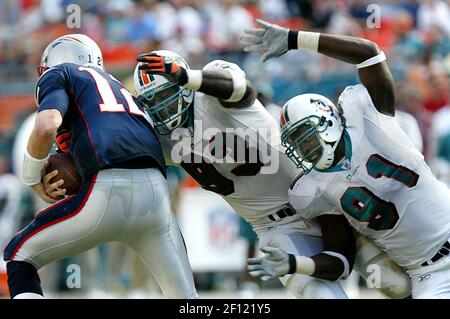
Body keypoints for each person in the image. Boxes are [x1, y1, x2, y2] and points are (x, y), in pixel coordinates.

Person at [133, 50, 409, 298]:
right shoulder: (163, 140)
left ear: (183, 84)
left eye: (166, 95)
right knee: (321, 296)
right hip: (275, 226)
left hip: (326, 201)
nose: (163, 107)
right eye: (153, 101)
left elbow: (241, 88)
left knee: (396, 284)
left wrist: (187, 77)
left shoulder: (213, 96)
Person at [241, 19, 450, 299]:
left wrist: (295, 39)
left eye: (306, 137)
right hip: (428, 275)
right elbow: (340, 261)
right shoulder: (313, 188)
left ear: (328, 122)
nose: (303, 149)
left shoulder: (369, 118)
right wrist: (294, 263)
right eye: (295, 143)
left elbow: (369, 53)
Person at [2, 34, 197, 299]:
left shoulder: (62, 74)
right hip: (156, 199)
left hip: (107, 191)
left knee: (19, 254)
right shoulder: (123, 90)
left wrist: (32, 176)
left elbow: (46, 125)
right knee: (186, 299)